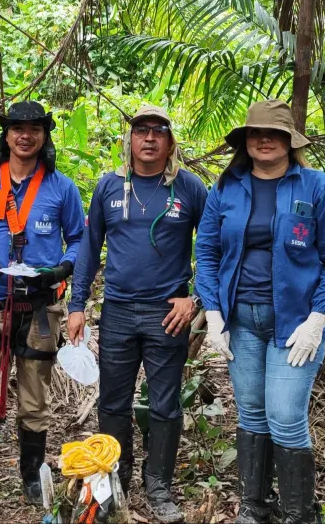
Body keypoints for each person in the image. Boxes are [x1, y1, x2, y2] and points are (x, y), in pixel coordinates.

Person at [195, 100, 325, 524]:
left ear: (289, 141)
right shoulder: (226, 188)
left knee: (284, 415)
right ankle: (255, 505)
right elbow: (206, 252)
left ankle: (300, 513)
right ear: (245, 141)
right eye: (256, 133)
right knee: (251, 413)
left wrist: (318, 319)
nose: (264, 140)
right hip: (241, 322)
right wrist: (213, 312)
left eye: (274, 133)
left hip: (296, 323)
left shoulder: (317, 188)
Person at [68, 105, 208, 523]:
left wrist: (195, 296)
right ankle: (116, 477)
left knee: (165, 403)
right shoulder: (109, 187)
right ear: (129, 140)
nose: (149, 138)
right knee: (113, 401)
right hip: (118, 312)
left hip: (169, 314)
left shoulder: (189, 188)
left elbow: (215, 243)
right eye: (141, 131)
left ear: (170, 142)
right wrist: (77, 305)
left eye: (158, 131)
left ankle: (159, 485)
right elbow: (89, 249)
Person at [0, 101, 85, 522]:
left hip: (40, 308)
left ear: (44, 135)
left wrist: (64, 266)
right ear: (6, 135)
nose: (25, 136)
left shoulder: (61, 188)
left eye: (34, 129)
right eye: (17, 129)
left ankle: (30, 474)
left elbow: (79, 238)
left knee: (34, 397)